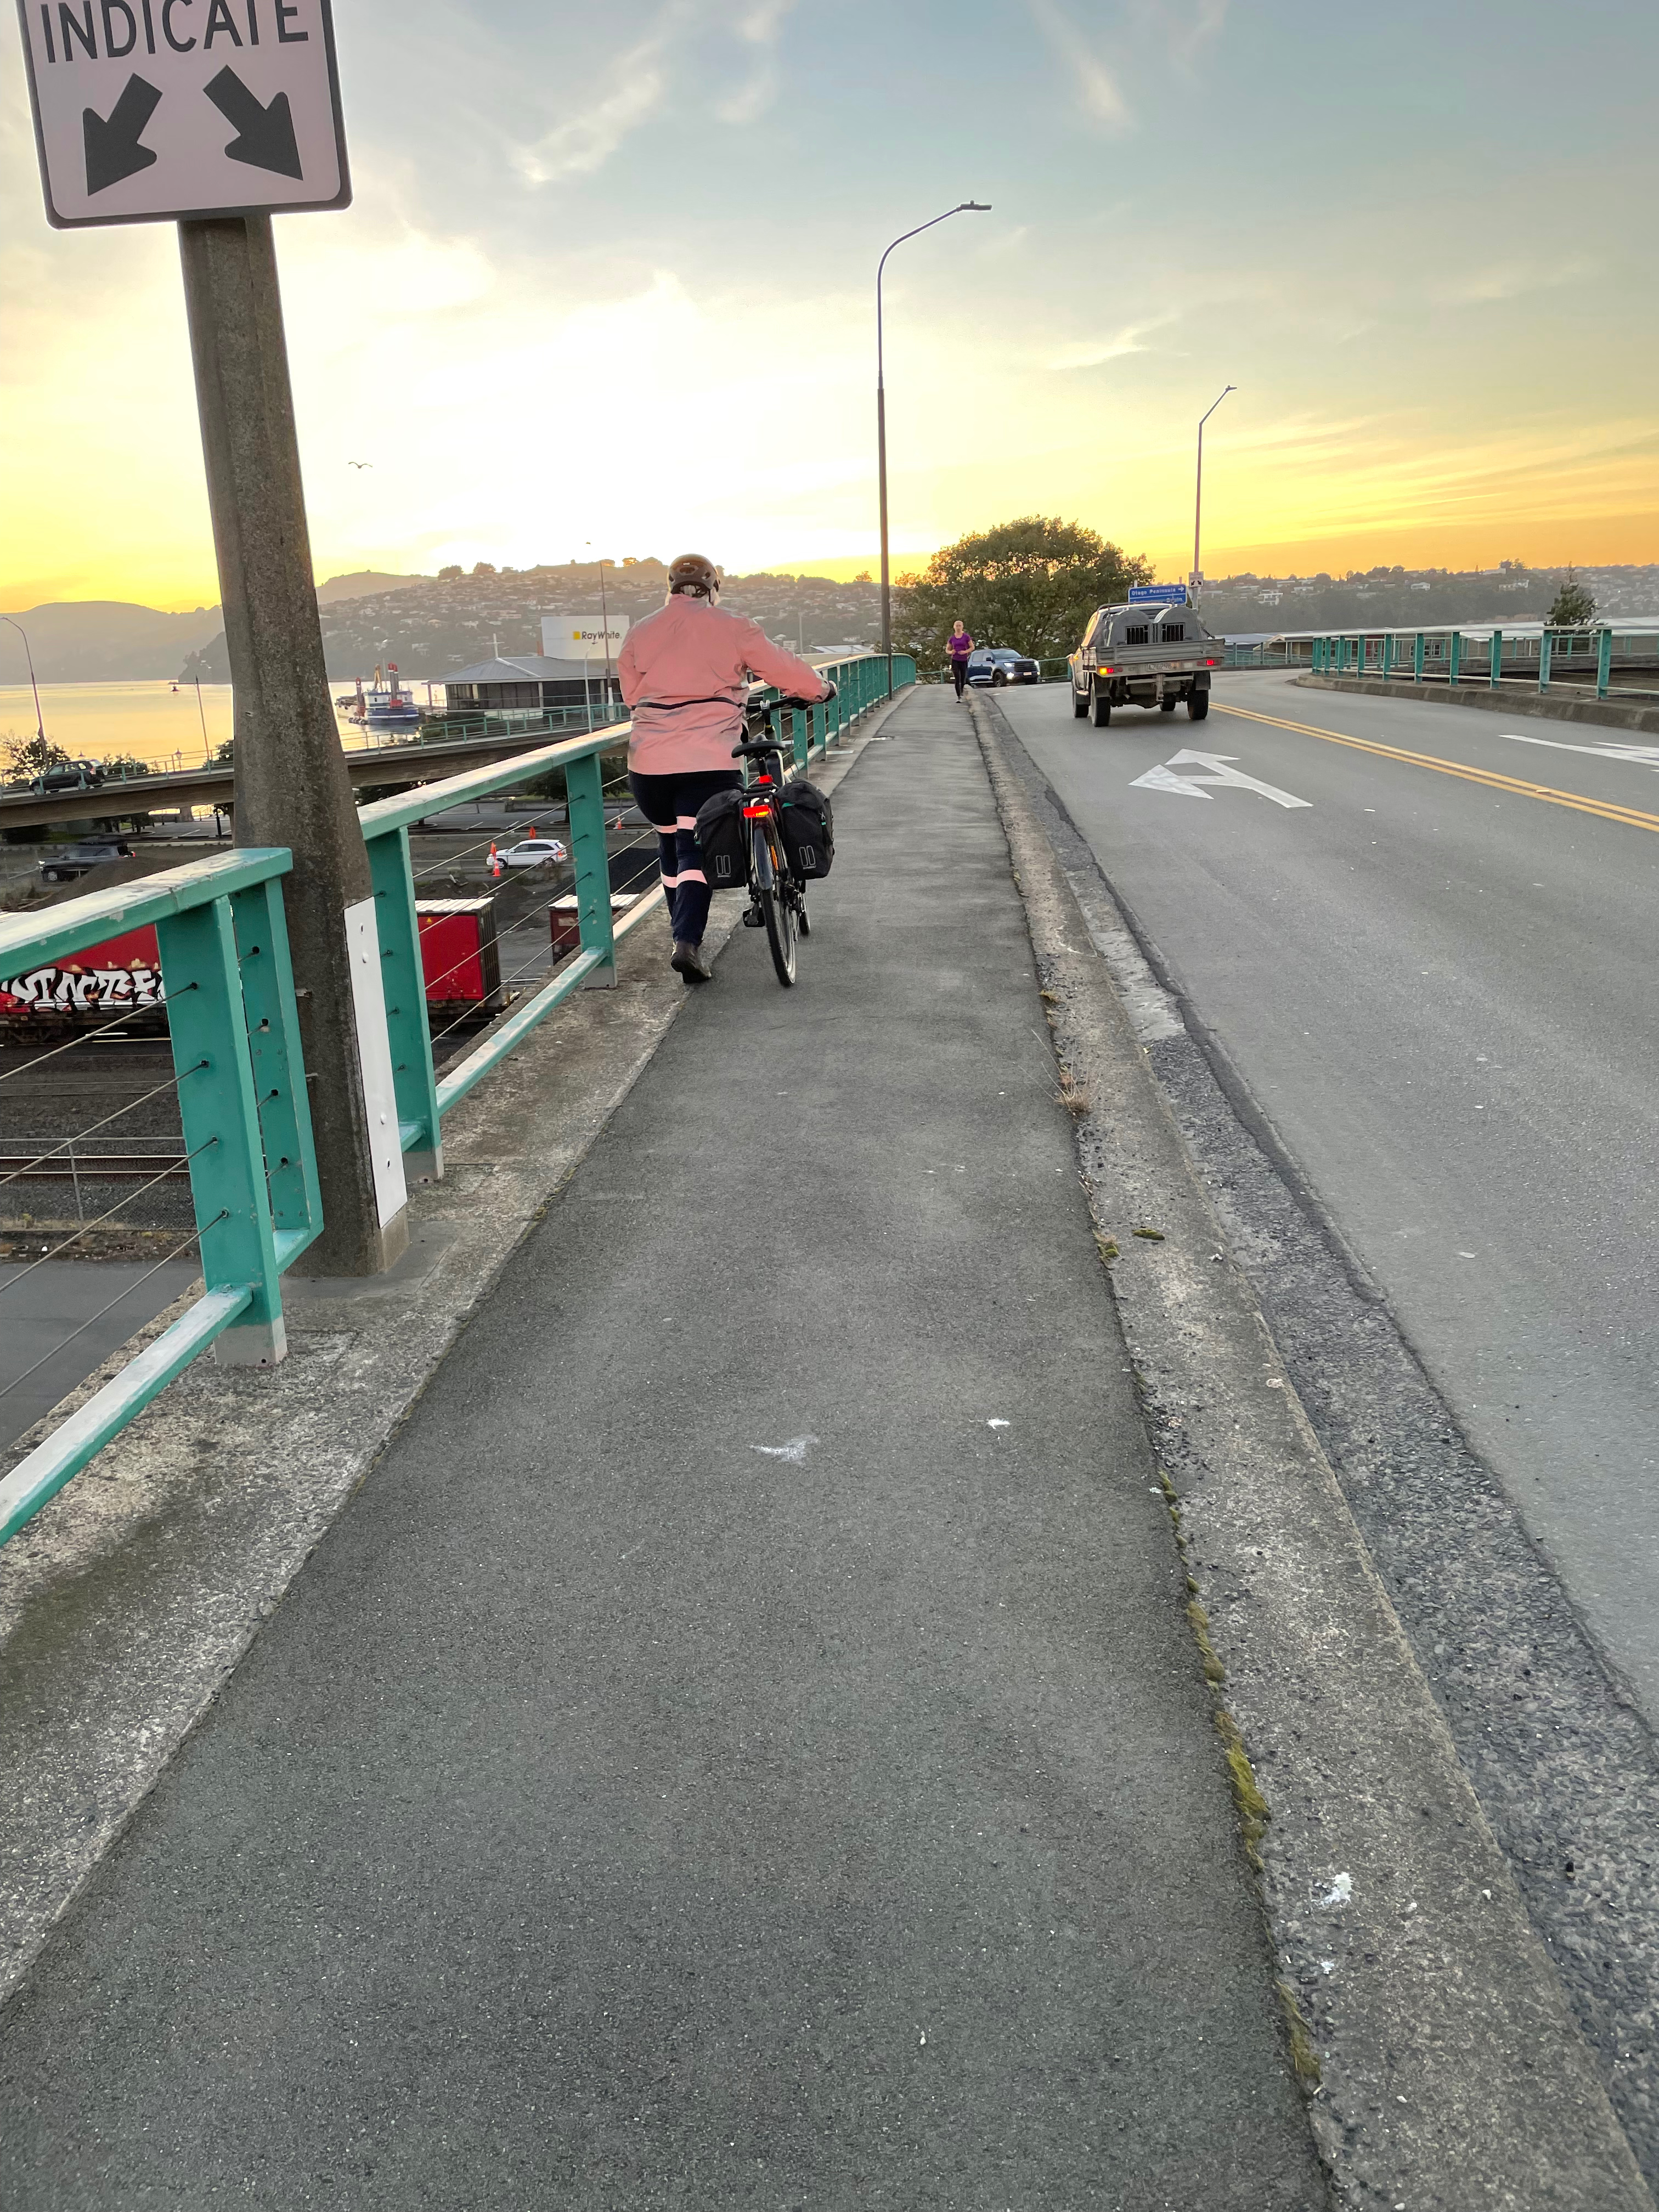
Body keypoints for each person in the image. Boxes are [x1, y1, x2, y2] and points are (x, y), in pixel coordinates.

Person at [618, 554, 831, 984]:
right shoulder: (732, 625)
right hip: (709, 760)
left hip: (649, 761)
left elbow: (631, 694)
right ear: (713, 588)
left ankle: (681, 935)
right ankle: (687, 944)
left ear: (671, 587)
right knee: (695, 848)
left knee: (670, 845)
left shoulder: (640, 632)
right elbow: (784, 669)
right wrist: (821, 689)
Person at [946, 619, 974, 699]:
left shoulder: (966, 637)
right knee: (957, 678)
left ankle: (961, 690)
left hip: (964, 660)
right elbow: (947, 650)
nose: (958, 627)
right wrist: (951, 652)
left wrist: (965, 652)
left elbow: (972, 647)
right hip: (955, 659)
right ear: (954, 627)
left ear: (962, 627)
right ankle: (959, 696)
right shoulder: (952, 638)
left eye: (960, 625)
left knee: (963, 679)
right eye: (957, 626)